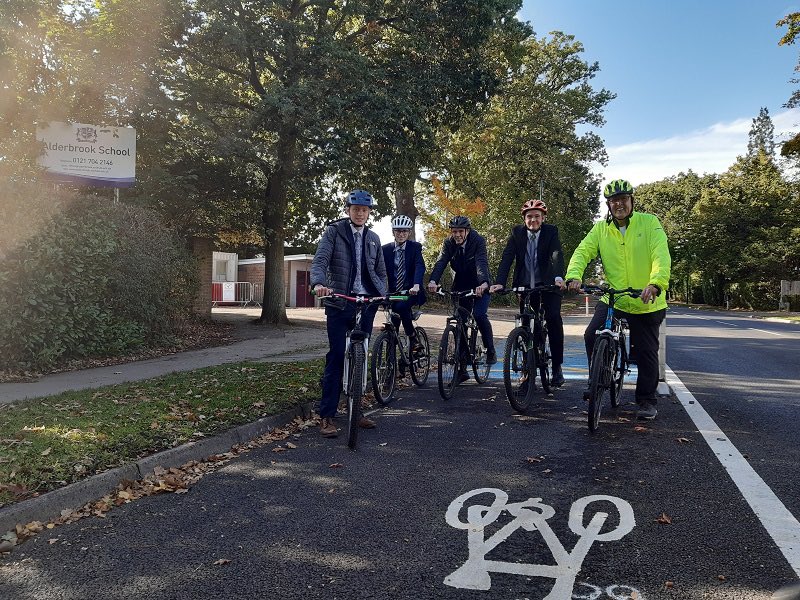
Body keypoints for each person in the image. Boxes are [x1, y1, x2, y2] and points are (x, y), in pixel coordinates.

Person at [566, 179, 671, 420]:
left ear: (632, 201)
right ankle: (599, 377)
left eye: (623, 199)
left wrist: (655, 283)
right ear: (608, 205)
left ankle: (646, 400)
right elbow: (583, 251)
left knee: (646, 351)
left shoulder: (649, 222)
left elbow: (660, 255)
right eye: (614, 201)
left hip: (645, 298)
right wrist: (574, 275)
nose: (619, 204)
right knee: (592, 334)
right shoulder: (601, 229)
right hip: (615, 297)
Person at [310, 189, 388, 438]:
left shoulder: (374, 238)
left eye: (365, 210)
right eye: (356, 209)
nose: (360, 214)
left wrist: (382, 294)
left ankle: (357, 411)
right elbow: (320, 259)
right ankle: (327, 416)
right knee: (336, 356)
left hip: (364, 303)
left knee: (361, 356)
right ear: (348, 210)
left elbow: (381, 272)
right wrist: (319, 283)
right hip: (339, 301)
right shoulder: (334, 232)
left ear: (369, 213)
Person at [489, 199, 567, 387]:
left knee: (554, 318)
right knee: (525, 326)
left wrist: (558, 276)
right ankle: (526, 370)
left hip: (548, 285)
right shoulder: (517, 233)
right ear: (524, 218)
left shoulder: (551, 232)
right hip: (525, 286)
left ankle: (556, 366)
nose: (533, 220)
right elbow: (507, 258)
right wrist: (500, 282)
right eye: (529, 216)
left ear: (543, 218)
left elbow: (556, 254)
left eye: (537, 216)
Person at [427, 215, 497, 380]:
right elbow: (441, 261)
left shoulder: (478, 241)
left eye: (460, 231)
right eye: (454, 231)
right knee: (460, 323)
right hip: (461, 284)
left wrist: (484, 283)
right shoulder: (448, 243)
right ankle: (462, 369)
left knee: (479, 315)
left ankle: (490, 350)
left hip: (481, 284)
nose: (457, 235)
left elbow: (481, 262)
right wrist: (433, 280)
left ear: (467, 231)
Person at [382, 215, 426, 353]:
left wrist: (416, 284)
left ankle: (413, 337)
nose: (401, 234)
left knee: (401, 307)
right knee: (392, 331)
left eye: (404, 231)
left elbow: (419, 266)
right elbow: (379, 270)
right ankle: (394, 366)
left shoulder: (415, 247)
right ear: (393, 232)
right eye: (398, 231)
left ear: (409, 233)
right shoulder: (385, 250)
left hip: (411, 291)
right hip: (393, 293)